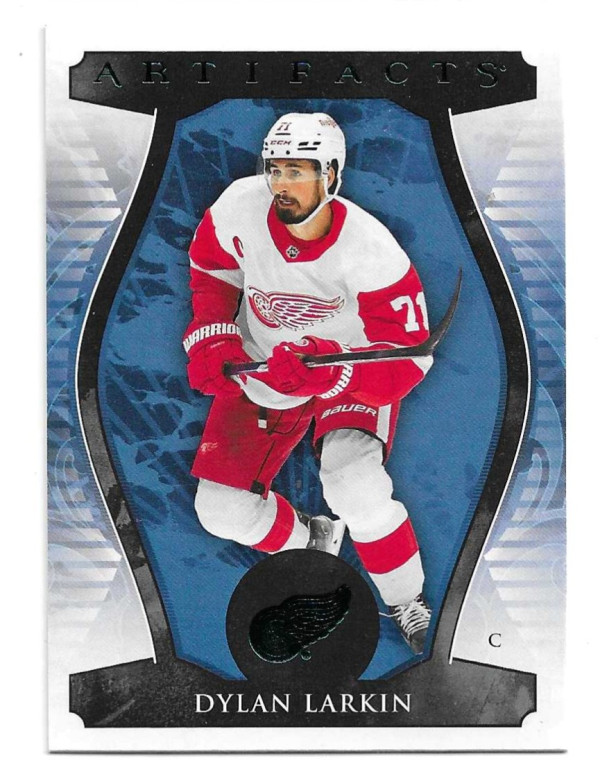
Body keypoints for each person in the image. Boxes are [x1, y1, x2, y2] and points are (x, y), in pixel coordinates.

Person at [183, 113, 434, 654]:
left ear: (332, 175)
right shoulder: (239, 205)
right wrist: (213, 332)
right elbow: (212, 265)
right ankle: (314, 541)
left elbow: (411, 359)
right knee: (220, 510)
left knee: (353, 484)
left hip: (347, 372)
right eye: (275, 169)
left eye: (297, 171)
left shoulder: (372, 248)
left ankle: (405, 598)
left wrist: (338, 367)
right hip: (264, 363)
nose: (281, 184)